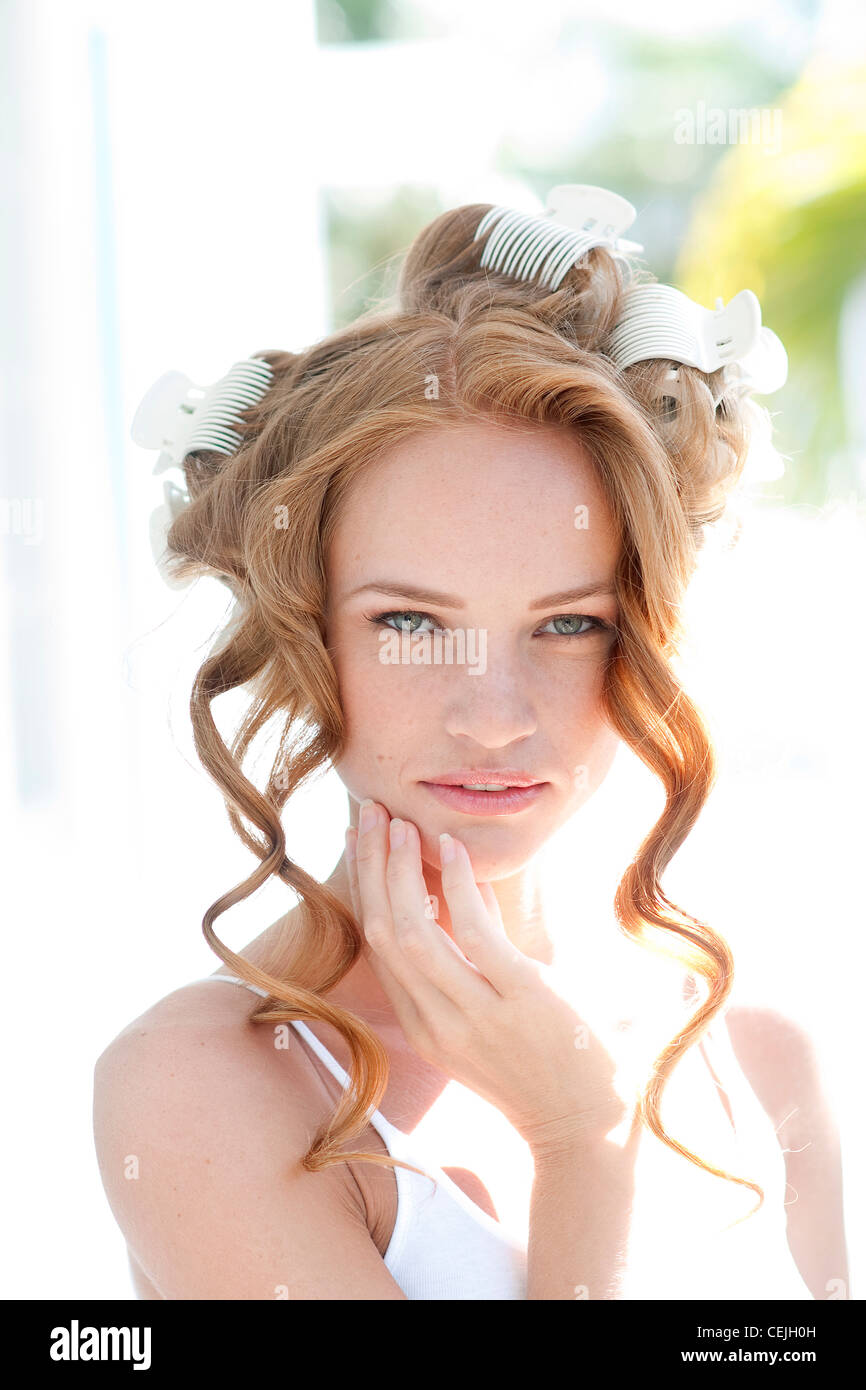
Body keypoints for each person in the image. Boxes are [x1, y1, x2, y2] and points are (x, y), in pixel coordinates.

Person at [92, 192, 848, 1300]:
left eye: (566, 623)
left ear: (639, 634)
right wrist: (582, 1143)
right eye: (408, 623)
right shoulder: (206, 1089)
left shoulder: (758, 1056)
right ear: (306, 634)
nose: (493, 714)